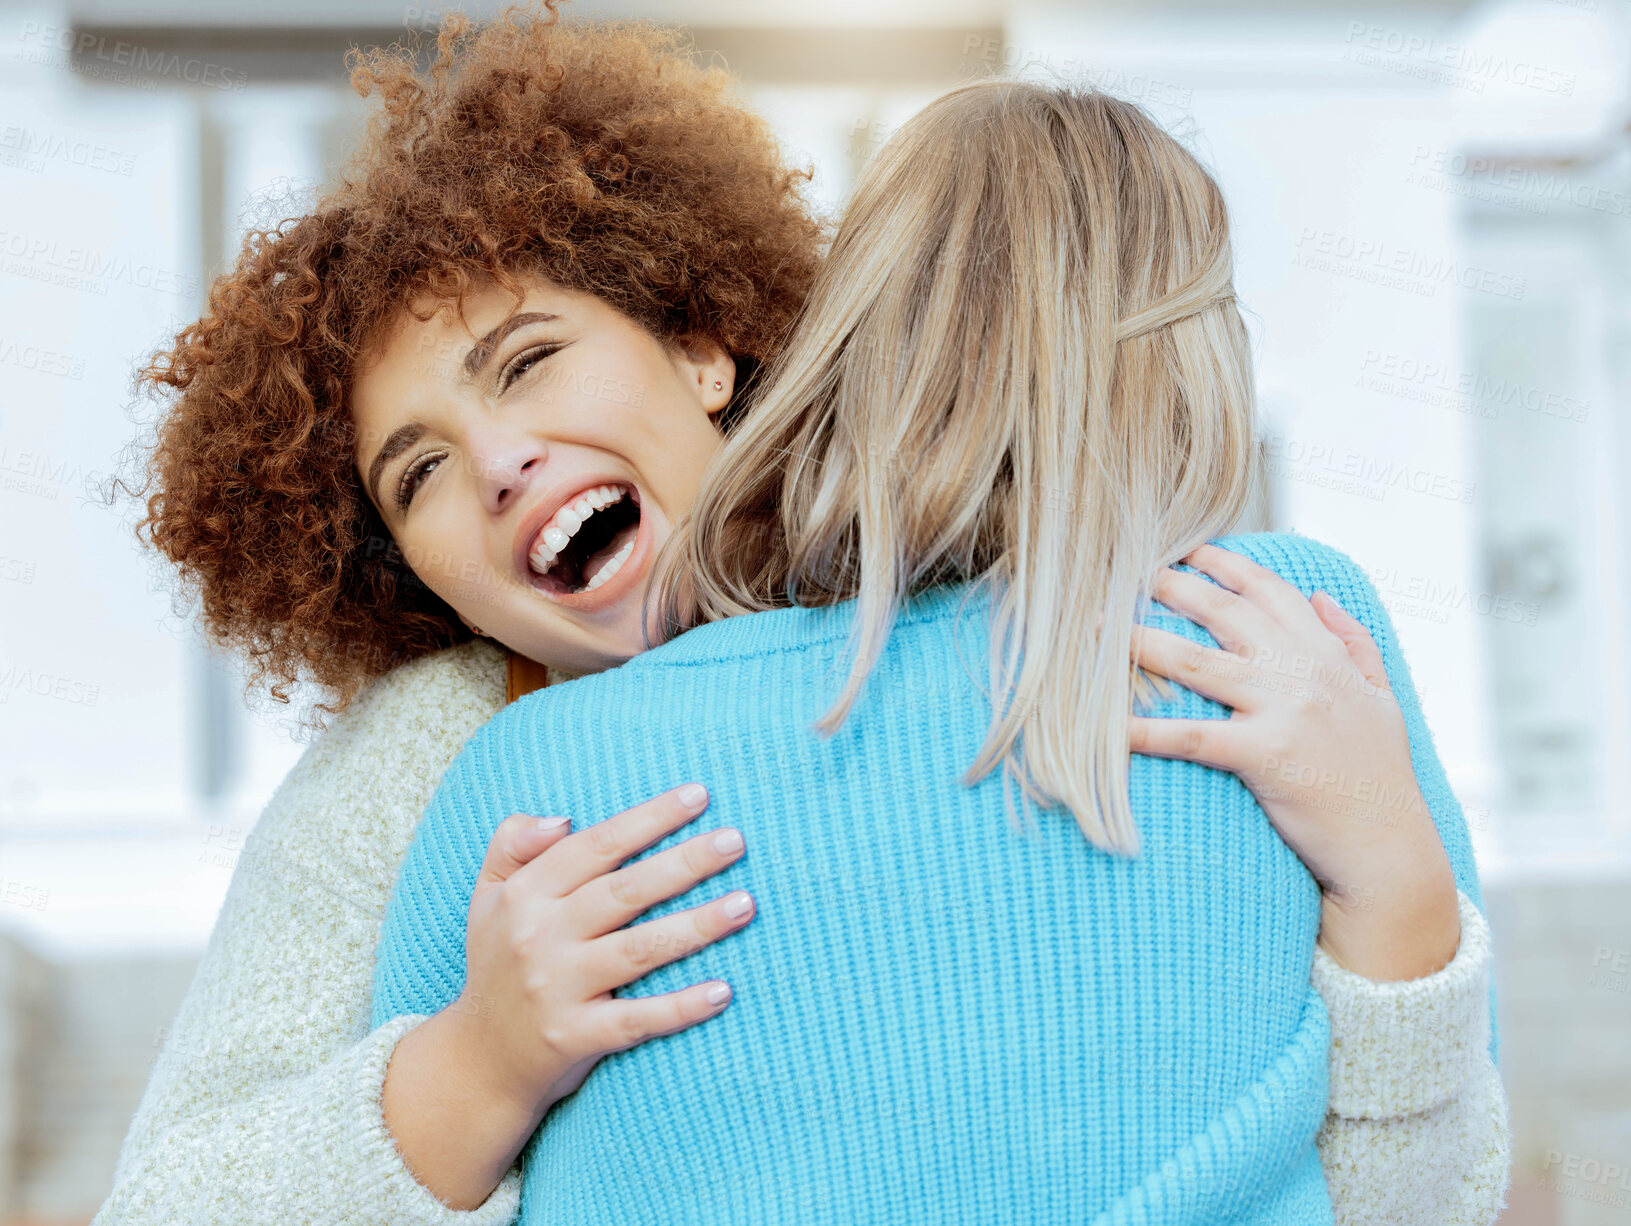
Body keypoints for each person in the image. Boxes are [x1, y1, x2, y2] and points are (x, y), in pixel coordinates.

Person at [368, 78, 1510, 1223]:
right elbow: (1428, 1188)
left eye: (528, 362)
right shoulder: (1273, 623)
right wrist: (1400, 876)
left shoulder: (515, 790)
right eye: (415, 473)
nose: (500, 462)